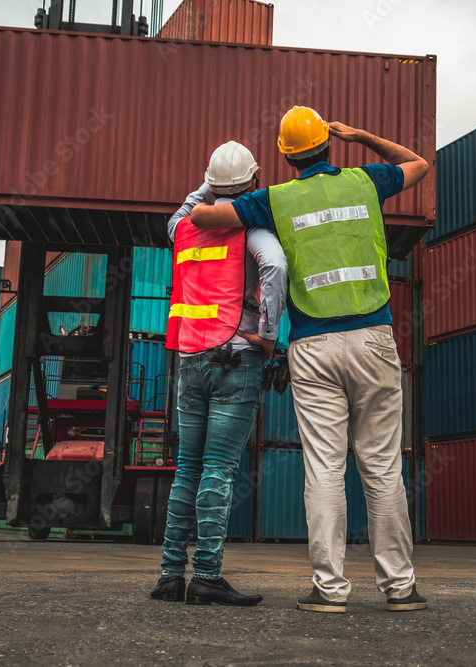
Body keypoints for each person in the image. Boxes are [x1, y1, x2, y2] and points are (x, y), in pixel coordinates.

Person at [190, 107, 430, 613]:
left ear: (283, 155)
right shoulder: (366, 181)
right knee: (384, 467)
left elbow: (201, 217)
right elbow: (418, 163)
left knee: (324, 467)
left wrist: (213, 187)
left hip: (313, 347)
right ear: (329, 143)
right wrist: (362, 135)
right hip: (374, 339)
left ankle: (329, 591)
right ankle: (400, 588)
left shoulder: (274, 200)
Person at [150, 141, 287, 606]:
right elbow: (275, 266)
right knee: (219, 470)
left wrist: (211, 183)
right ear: (254, 180)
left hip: (190, 359)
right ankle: (206, 575)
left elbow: (186, 207)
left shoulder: (182, 228)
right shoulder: (251, 230)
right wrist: (268, 335)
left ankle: (170, 575)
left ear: (210, 181)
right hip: (236, 360)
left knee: (186, 467)